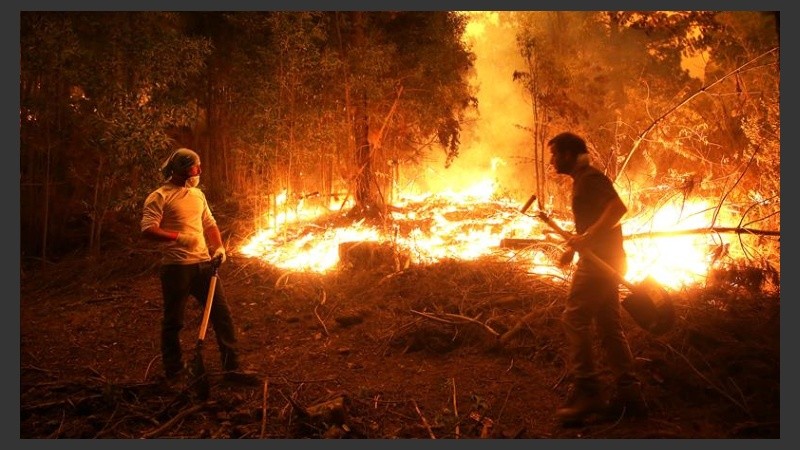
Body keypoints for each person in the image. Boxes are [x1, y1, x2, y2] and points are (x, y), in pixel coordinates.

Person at [547, 132, 647, 425]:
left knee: (573, 319)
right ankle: (630, 394)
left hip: (601, 265)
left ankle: (588, 390)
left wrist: (588, 238)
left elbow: (618, 209)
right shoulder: (583, 181)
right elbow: (594, 225)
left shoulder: (591, 178)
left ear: (568, 154)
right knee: (608, 325)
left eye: (555, 155)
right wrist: (575, 249)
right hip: (605, 259)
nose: (552, 161)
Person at [141, 148, 259, 387]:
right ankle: (174, 371)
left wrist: (219, 248)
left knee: (222, 315)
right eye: (196, 166)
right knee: (174, 321)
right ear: (183, 169)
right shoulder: (160, 196)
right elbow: (148, 229)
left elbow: (209, 223)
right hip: (176, 269)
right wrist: (178, 237)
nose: (200, 171)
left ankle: (232, 368)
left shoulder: (197, 195)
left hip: (204, 266)